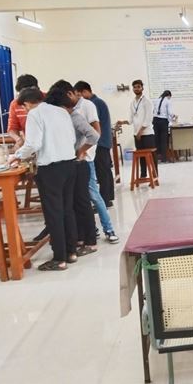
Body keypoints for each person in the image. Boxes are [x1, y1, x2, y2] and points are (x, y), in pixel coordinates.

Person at [10, 88, 78, 271]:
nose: (24, 111)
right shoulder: (61, 111)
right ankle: (71, 252)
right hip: (69, 164)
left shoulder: (35, 114)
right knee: (67, 209)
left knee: (54, 213)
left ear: (28, 103)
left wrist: (16, 155)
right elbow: (72, 138)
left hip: (51, 169)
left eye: (23, 107)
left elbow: (33, 144)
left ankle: (59, 258)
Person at [52, 80, 119, 244]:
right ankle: (89, 230)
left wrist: (83, 150)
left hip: (86, 158)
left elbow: (96, 131)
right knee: (79, 199)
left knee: (94, 195)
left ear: (72, 93)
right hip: (71, 160)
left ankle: (109, 229)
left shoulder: (87, 106)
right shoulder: (66, 110)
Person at [45, 87, 99, 257]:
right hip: (70, 165)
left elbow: (94, 135)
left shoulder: (74, 116)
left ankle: (91, 241)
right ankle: (80, 238)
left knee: (82, 203)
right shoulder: (64, 116)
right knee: (73, 205)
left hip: (78, 164)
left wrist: (81, 151)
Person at [73, 81, 115, 206]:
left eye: (79, 95)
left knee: (102, 172)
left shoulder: (93, 103)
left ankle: (104, 200)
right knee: (105, 171)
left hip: (99, 142)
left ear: (85, 92)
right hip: (103, 141)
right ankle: (108, 198)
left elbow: (93, 126)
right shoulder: (98, 102)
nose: (78, 99)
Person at [117, 79, 156, 177]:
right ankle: (143, 174)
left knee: (151, 156)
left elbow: (148, 119)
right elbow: (131, 120)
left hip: (147, 134)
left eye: (138, 87)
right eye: (134, 87)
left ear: (142, 88)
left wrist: (140, 132)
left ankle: (154, 174)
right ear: (133, 89)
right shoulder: (132, 103)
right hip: (137, 134)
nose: (136, 89)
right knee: (141, 156)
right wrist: (123, 122)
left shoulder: (147, 102)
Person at [7, 74, 41, 149]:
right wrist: (18, 140)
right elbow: (12, 128)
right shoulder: (15, 104)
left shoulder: (47, 100)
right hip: (30, 145)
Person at [152, 90, 176, 163]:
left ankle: (156, 158)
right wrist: (174, 116)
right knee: (164, 140)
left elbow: (153, 111)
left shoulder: (156, 100)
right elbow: (170, 112)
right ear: (168, 96)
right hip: (163, 122)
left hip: (155, 121)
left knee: (156, 139)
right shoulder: (168, 101)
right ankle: (164, 158)